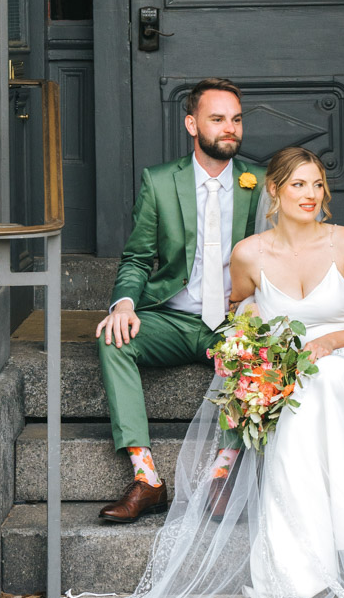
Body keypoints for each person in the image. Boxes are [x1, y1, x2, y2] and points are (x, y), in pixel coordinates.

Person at [37, 145, 344, 598]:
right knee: (294, 392)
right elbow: (241, 309)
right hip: (293, 374)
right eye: (299, 185)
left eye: (317, 185)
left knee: (324, 379)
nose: (311, 195)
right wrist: (251, 349)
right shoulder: (249, 254)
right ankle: (296, 568)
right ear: (274, 191)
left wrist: (327, 344)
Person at [94, 78, 267, 522]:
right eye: (217, 119)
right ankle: (147, 477)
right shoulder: (159, 181)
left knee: (260, 352)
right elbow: (137, 258)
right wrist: (125, 304)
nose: (230, 129)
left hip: (233, 322)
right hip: (174, 317)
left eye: (236, 119)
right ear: (192, 124)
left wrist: (254, 309)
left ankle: (222, 475)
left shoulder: (261, 182)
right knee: (114, 339)